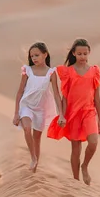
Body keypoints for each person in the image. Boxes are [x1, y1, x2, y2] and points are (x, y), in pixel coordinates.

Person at [47, 38, 100, 185]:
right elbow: (64, 97)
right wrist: (62, 115)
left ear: (89, 53)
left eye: (85, 53)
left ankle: (85, 166)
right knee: (76, 148)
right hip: (73, 113)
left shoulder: (94, 71)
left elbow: (97, 97)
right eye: (79, 54)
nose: (83, 57)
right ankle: (76, 180)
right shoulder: (68, 72)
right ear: (74, 53)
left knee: (93, 143)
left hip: (89, 112)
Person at [13, 42, 65, 172]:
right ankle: (33, 158)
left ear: (45, 54)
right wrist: (16, 113)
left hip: (41, 109)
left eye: (36, 55)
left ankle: (34, 169)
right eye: (32, 56)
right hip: (27, 106)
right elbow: (20, 92)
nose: (34, 58)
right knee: (26, 128)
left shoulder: (51, 73)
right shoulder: (27, 70)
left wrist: (61, 114)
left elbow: (56, 95)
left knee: (37, 138)